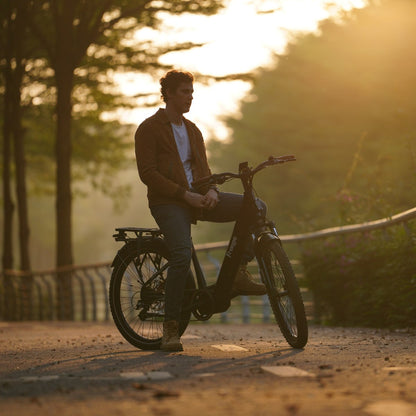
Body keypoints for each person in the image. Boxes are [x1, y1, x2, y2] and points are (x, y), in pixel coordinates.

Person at [135, 70, 266, 352]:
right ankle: (171, 329)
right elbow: (148, 173)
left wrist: (211, 191)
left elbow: (204, 171)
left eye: (192, 93)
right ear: (168, 93)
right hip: (167, 202)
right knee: (181, 254)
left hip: (198, 195)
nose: (190, 97)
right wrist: (185, 195)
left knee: (254, 205)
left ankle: (239, 271)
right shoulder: (149, 128)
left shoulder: (193, 130)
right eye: (184, 92)